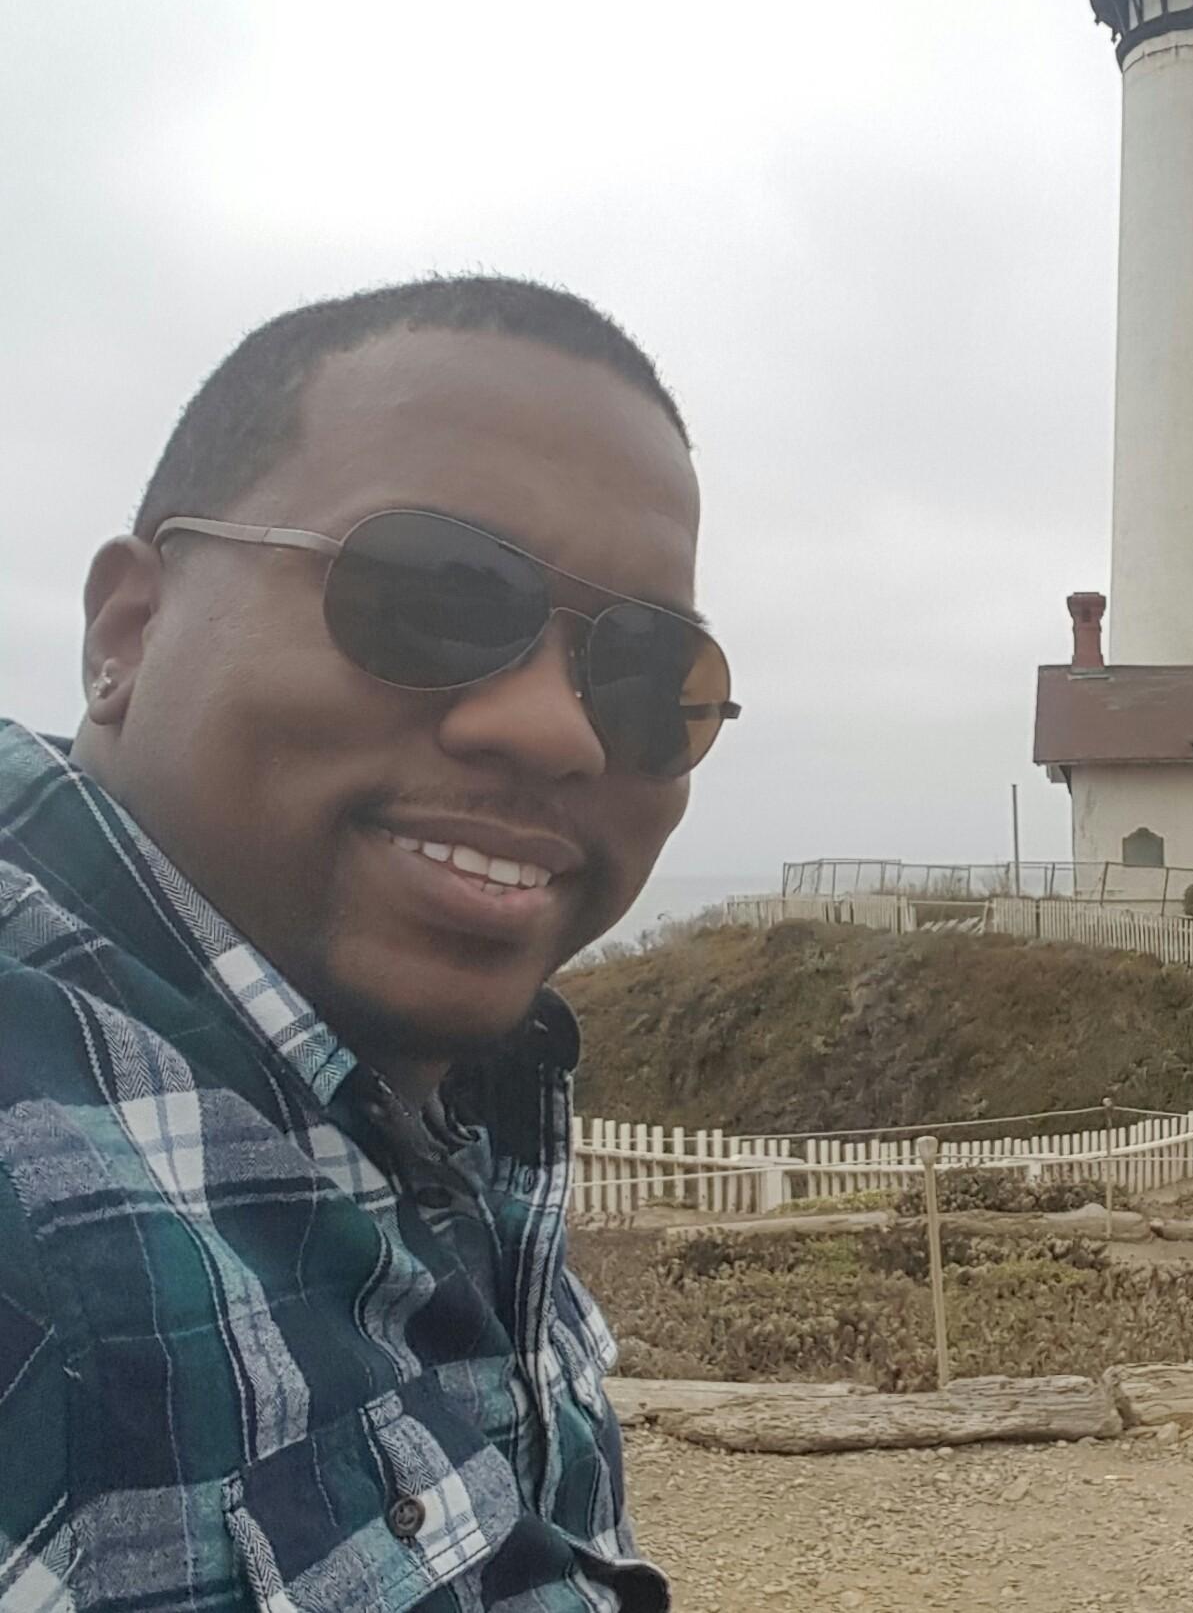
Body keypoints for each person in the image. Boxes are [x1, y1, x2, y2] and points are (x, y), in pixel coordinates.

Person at [0, 279, 740, 1610]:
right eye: (436, 595)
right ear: (130, 630)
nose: (556, 730)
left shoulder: (421, 1099)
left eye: (645, 677)